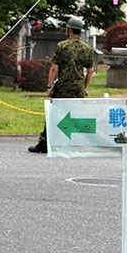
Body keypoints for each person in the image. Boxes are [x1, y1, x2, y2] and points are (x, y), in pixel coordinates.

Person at [28, 17, 94, 153]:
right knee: (76, 115)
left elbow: (54, 68)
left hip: (63, 87)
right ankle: (74, 143)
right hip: (78, 89)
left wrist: (49, 85)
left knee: (53, 114)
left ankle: (44, 143)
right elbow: (90, 70)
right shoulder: (87, 48)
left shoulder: (62, 46)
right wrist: (85, 86)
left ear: (69, 29)